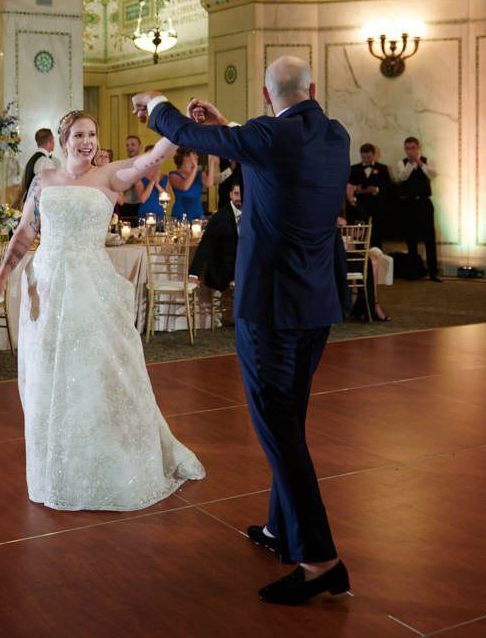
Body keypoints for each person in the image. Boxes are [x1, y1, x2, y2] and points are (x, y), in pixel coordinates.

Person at [134, 55, 351, 605]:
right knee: (291, 417)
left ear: (265, 92)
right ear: (314, 89)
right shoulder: (333, 133)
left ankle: (320, 558)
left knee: (278, 427)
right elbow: (268, 145)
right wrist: (228, 125)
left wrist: (156, 105)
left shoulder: (270, 136)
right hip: (316, 304)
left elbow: (192, 134)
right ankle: (282, 530)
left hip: (270, 307)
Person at [0, 110, 204, 512]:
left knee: (97, 374)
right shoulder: (43, 180)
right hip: (47, 290)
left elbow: (150, 159)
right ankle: (57, 466)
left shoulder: (110, 177)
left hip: (91, 287)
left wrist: (177, 126)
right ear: (64, 140)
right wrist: (2, 277)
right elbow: (26, 232)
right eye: (80, 135)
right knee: (51, 377)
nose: (87, 141)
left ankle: (107, 461)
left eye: (93, 134)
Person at [396, 136, 440, 281]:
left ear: (418, 148)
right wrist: (411, 164)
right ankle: (414, 271)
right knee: (411, 238)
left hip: (424, 203)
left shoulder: (428, 161)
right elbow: (402, 177)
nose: (410, 151)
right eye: (408, 148)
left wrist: (420, 163)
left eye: (413, 148)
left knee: (429, 238)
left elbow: (432, 174)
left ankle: (433, 272)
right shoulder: (401, 163)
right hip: (408, 205)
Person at [189, 182, 241, 291]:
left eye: (242, 194)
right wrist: (193, 274)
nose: (239, 198)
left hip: (245, 267)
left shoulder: (252, 214)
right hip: (225, 269)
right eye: (236, 194)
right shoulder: (220, 217)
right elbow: (205, 244)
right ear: (230, 195)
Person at [346, 143, 391, 240]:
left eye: (369, 157)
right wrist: (356, 189)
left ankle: (376, 252)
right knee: (359, 236)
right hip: (359, 207)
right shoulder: (354, 169)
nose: (366, 160)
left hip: (377, 206)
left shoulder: (382, 168)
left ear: (374, 155)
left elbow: (387, 187)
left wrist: (376, 189)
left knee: (376, 234)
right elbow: (349, 186)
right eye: (364, 157)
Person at [168, 149, 214, 221]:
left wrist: (211, 163)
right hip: (181, 211)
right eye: (195, 154)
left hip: (197, 211)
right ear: (185, 156)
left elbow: (209, 184)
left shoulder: (199, 173)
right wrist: (195, 168)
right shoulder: (173, 174)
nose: (197, 156)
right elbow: (185, 186)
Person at [135, 145, 171, 226]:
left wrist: (158, 186)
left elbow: (168, 199)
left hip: (160, 215)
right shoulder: (139, 177)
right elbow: (142, 199)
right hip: (144, 214)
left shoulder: (165, 177)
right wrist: (152, 181)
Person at [21, 128, 59, 201]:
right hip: (37, 204)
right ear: (50, 142)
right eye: (53, 140)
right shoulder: (45, 161)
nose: (54, 143)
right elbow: (50, 188)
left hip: (30, 201)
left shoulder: (32, 159)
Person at [119, 134, 143, 219]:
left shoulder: (147, 164)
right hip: (126, 206)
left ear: (140, 147)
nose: (129, 148)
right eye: (127, 145)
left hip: (142, 205)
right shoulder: (122, 166)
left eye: (133, 144)